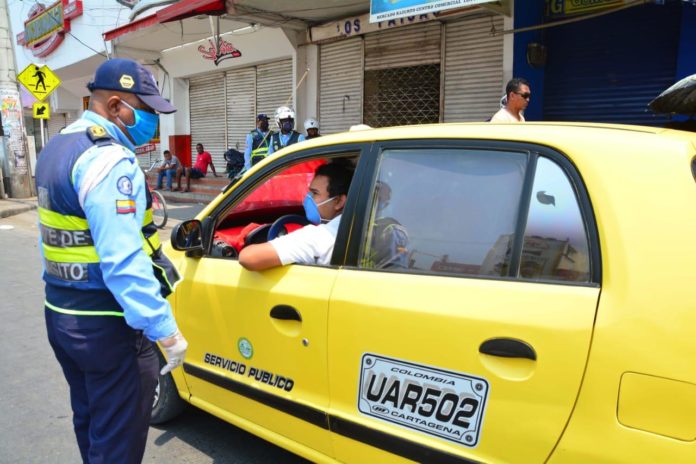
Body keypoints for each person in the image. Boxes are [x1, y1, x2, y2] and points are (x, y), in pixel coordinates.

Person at [34, 58, 188, 464]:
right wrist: (165, 332)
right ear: (117, 105)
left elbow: (51, 238)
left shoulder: (58, 146)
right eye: (147, 109)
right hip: (105, 325)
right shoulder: (109, 159)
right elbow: (122, 261)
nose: (152, 120)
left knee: (92, 422)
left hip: (61, 314)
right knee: (117, 441)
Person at [239, 161, 354, 271]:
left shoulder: (317, 237)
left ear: (339, 201)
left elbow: (248, 257)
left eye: (315, 193)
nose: (307, 198)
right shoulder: (360, 226)